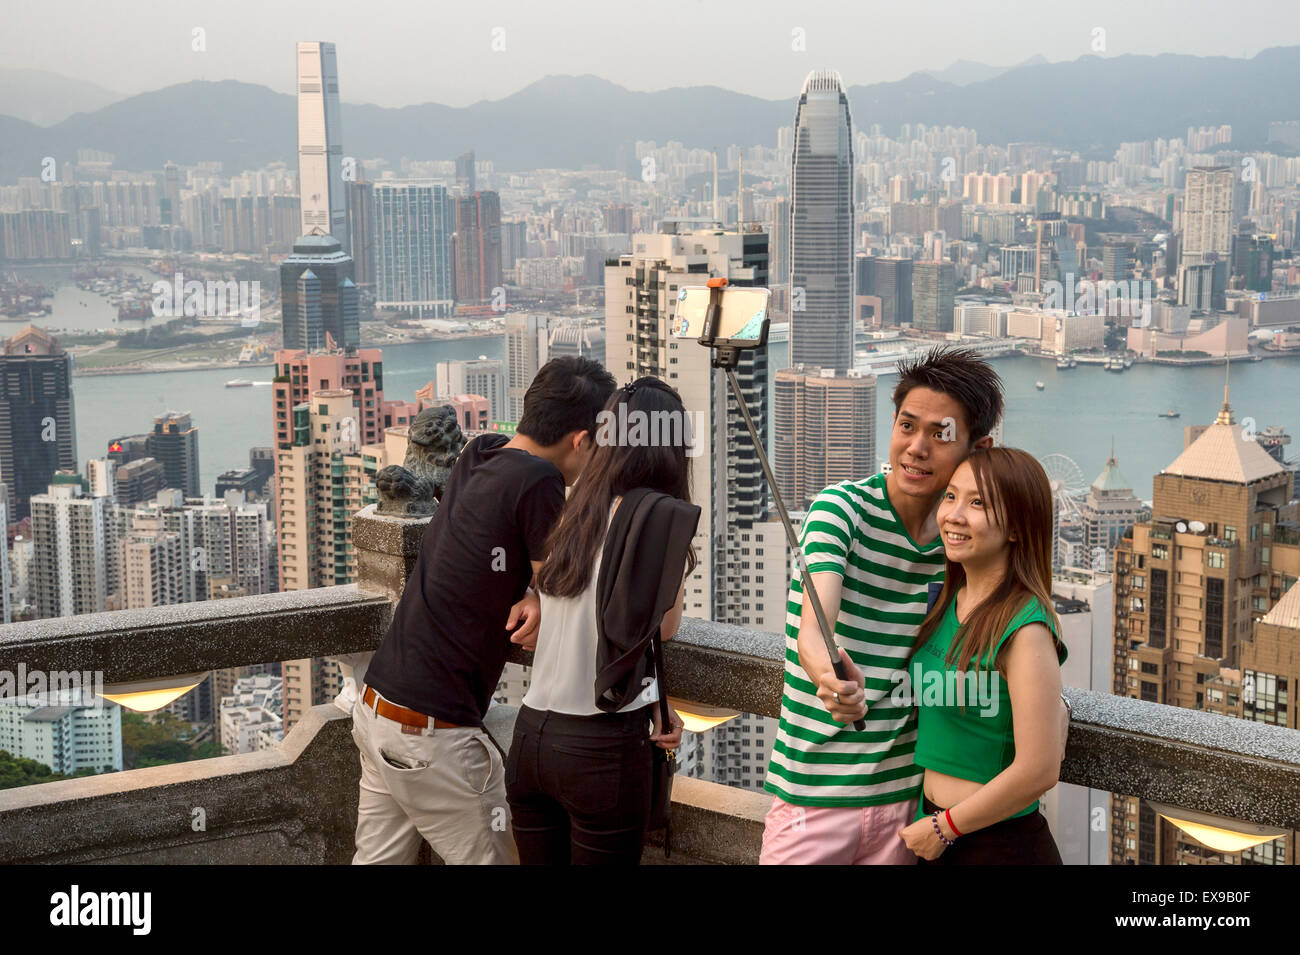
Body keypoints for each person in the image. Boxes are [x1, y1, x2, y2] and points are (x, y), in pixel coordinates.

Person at [760, 346, 1070, 865]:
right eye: (907, 426)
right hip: (815, 800)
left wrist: (1048, 703)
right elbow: (815, 627)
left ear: (979, 446)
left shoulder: (957, 556)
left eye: (941, 434)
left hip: (909, 813)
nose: (917, 448)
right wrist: (829, 678)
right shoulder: (842, 511)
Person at [351, 356, 616, 865]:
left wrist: (535, 593)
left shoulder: (479, 452)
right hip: (431, 734)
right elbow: (567, 583)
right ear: (581, 439)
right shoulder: (540, 479)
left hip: (377, 706)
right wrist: (542, 592)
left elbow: (510, 553)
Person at [505, 377, 696, 865]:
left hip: (529, 739)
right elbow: (663, 627)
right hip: (598, 748)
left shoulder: (572, 513)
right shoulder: (656, 520)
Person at [898, 447, 1067, 864]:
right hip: (935, 830)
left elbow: (1040, 768)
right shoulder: (946, 604)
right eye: (951, 496)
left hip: (998, 844)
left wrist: (944, 828)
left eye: (978, 503)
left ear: (1016, 528)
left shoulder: (1025, 626)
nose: (954, 514)